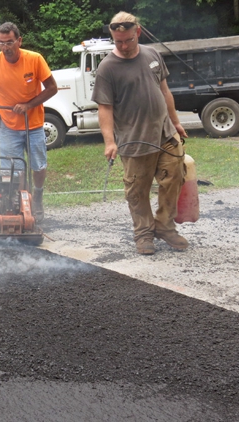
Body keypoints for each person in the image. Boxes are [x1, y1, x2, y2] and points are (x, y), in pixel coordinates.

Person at [92, 11, 189, 255]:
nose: (123, 46)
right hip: (135, 141)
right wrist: (109, 142)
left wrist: (176, 122)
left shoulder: (152, 54)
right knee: (137, 191)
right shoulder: (107, 68)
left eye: (128, 40)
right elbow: (105, 108)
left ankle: (165, 226)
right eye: (118, 41)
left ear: (138, 32)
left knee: (174, 177)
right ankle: (144, 234)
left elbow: (165, 92)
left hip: (165, 134)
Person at [0, 22, 58, 222]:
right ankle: (19, 203)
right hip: (8, 125)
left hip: (33, 123)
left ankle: (38, 198)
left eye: (9, 42)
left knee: (38, 165)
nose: (5, 47)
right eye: (1, 43)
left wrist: (28, 105)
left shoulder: (34, 59)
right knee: (12, 170)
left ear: (19, 41)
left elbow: (52, 88)